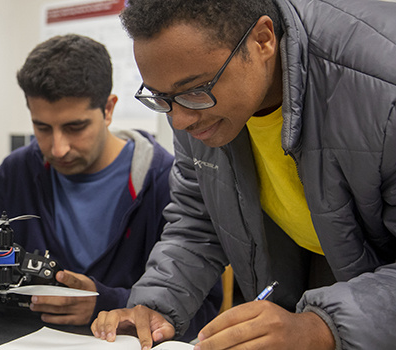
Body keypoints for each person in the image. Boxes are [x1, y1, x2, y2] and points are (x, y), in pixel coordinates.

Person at [90, 0, 396, 349]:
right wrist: (156, 305)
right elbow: (199, 218)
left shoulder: (383, 88)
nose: (179, 121)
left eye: (194, 91)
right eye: (161, 98)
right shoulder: (191, 102)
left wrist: (322, 327)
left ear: (263, 40)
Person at [0, 34, 221, 338]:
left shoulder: (167, 183)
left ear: (108, 109)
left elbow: (203, 314)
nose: (58, 149)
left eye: (75, 127)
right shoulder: (13, 175)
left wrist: (104, 303)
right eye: (42, 127)